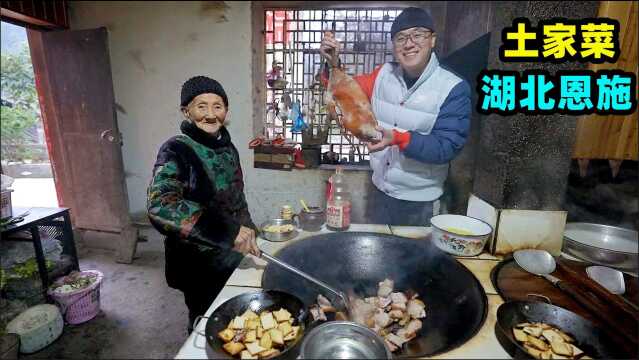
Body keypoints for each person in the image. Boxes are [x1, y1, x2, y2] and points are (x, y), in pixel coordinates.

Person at [320, 7, 471, 226]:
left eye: (418, 34)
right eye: (401, 38)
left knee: (415, 259)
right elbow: (345, 93)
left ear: (432, 40)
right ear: (394, 45)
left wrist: (399, 138)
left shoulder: (453, 88)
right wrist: (333, 64)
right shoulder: (382, 75)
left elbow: (446, 147)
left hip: (422, 203)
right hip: (379, 192)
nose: (409, 43)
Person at [146, 76, 260, 333]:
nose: (210, 115)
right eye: (201, 106)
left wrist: (251, 233)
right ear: (186, 111)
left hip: (233, 255)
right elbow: (160, 205)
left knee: (238, 320)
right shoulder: (176, 149)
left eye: (217, 106)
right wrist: (227, 231)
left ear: (226, 111)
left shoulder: (228, 148)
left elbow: (236, 200)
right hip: (197, 262)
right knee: (206, 322)